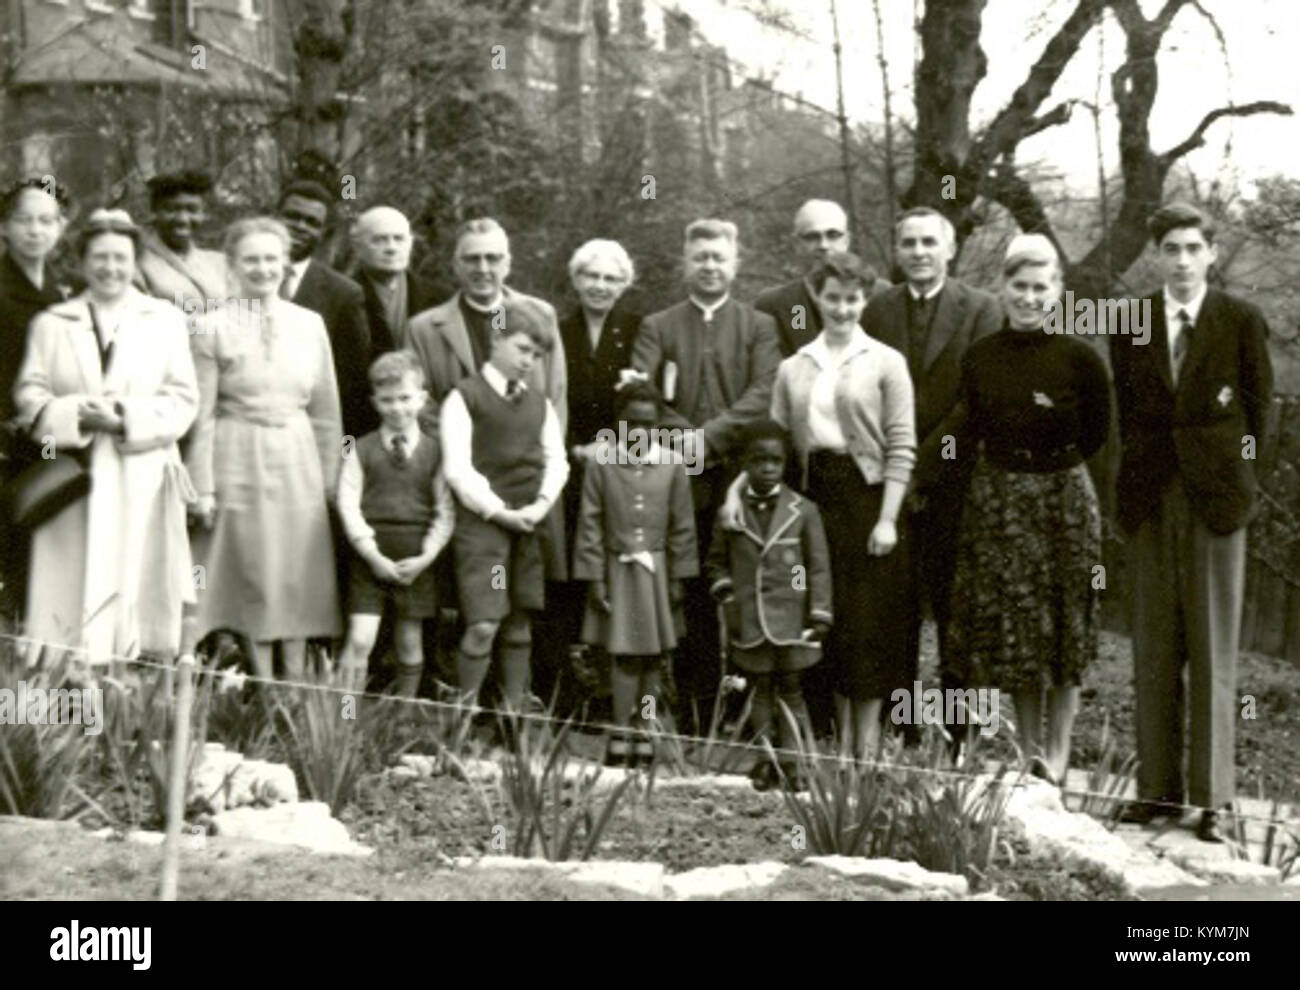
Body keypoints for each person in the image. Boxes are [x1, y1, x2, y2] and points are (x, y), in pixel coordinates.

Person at [1110, 203, 1274, 843]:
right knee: (1153, 646)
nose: (1180, 260)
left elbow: (1261, 416)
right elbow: (1129, 411)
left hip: (1217, 499)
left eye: (1192, 248)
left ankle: (1213, 801)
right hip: (1151, 496)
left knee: (1211, 650)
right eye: (1169, 248)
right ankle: (1155, 791)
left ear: (1211, 252)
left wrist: (1243, 477)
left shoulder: (1239, 319)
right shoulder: (1131, 322)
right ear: (1156, 254)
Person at [722, 251, 915, 759]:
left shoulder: (886, 362)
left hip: (867, 500)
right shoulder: (795, 366)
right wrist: (732, 492)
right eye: (833, 298)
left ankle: (866, 749)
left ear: (864, 299)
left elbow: (902, 445)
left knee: (865, 625)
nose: (843, 309)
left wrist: (889, 518)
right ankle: (820, 744)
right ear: (817, 298)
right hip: (812, 500)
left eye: (853, 299)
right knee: (822, 618)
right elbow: (774, 442)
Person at [947, 233, 1110, 784]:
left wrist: (1052, 469)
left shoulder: (1081, 358)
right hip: (1000, 499)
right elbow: (969, 428)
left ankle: (1058, 755)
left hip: (1063, 498)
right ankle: (1029, 751)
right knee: (1018, 628)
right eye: (1020, 286)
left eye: (1042, 287)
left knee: (1064, 626)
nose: (1030, 297)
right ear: (1003, 288)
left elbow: (1096, 432)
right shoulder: (980, 358)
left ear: (1058, 291)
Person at [14, 208, 199, 665]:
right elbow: (29, 395)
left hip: (142, 471)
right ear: (80, 261)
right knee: (67, 595)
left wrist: (123, 419)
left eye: (120, 257)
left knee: (137, 594)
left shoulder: (164, 320)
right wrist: (73, 413)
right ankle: (68, 706)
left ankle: (131, 707)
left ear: (136, 262)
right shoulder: (53, 322)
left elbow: (183, 398)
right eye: (99, 257)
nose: (110, 268)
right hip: (73, 478)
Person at [630, 218, 782, 731]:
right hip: (679, 476)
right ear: (685, 263)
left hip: (743, 474)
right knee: (692, 588)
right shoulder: (658, 326)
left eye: (719, 257)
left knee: (744, 583)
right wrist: (683, 437)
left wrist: (710, 435)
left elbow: (765, 391)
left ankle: (745, 707)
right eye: (701, 257)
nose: (710, 266)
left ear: (735, 263)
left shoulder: (758, 325)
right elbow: (641, 396)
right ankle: (696, 708)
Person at [862, 206, 1002, 751]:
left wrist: (923, 463)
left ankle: (958, 733)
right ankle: (903, 728)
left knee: (956, 612)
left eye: (929, 242)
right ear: (897, 252)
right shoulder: (876, 309)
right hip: (887, 486)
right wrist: (895, 466)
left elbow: (975, 398)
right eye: (909, 243)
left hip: (955, 483)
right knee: (894, 611)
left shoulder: (982, 309)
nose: (919, 252)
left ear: (950, 250)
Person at [186, 217, 344, 684]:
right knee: (250, 571)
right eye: (251, 259)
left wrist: (330, 481)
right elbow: (202, 413)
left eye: (272, 258)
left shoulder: (310, 324)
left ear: (285, 262)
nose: (263, 268)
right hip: (235, 452)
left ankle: (294, 686)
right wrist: (203, 487)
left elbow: (326, 410)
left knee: (295, 572)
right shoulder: (209, 326)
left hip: (297, 457)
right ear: (232, 266)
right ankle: (263, 686)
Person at [408, 218, 569, 584]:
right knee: (478, 588)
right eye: (472, 259)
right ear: (455, 265)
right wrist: (468, 458)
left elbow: (555, 395)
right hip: (464, 478)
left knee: (529, 589)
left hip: (530, 478)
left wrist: (539, 470)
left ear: (508, 263)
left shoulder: (540, 315)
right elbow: (423, 405)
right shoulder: (425, 328)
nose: (483, 268)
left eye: (493, 258)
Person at [439, 302, 569, 716]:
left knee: (519, 622)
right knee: (484, 623)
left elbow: (557, 460)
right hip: (486, 529)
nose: (528, 361)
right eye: (522, 349)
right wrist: (498, 512)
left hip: (528, 523)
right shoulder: (465, 398)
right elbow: (458, 469)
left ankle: (512, 717)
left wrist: (542, 504)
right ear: (496, 340)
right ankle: (463, 717)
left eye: (535, 354)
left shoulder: (540, 404)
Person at [573, 380, 697, 767]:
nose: (639, 432)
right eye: (631, 423)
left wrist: (677, 576)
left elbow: (682, 525)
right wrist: (594, 576)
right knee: (623, 656)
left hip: (656, 572)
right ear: (618, 423)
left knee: (652, 657)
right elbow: (590, 521)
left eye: (648, 423)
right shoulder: (602, 463)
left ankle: (645, 730)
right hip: (617, 570)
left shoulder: (673, 464)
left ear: (658, 424)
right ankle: (620, 730)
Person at [706, 419, 832, 789]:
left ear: (785, 464)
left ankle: (795, 763)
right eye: (759, 460)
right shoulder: (731, 513)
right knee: (759, 688)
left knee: (792, 688)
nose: (767, 468)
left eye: (775, 461)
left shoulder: (803, 510)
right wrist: (728, 595)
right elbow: (716, 561)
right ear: (744, 464)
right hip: (750, 618)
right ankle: (765, 760)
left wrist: (818, 611)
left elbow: (817, 566)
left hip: (792, 619)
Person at [545, 238, 642, 709]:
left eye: (610, 278)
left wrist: (617, 446)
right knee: (565, 577)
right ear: (576, 279)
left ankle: (613, 692)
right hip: (566, 470)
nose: (600, 286)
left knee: (614, 577)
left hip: (621, 473)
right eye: (591, 276)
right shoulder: (556, 332)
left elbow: (648, 407)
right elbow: (543, 401)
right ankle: (562, 692)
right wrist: (572, 449)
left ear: (624, 284)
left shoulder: (639, 331)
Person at [335, 350, 454, 695]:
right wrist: (372, 555)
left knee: (409, 642)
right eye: (387, 400)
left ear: (422, 398)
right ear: (374, 402)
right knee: (359, 640)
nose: (397, 408)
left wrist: (426, 557)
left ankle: (403, 720)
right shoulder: (359, 448)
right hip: (369, 558)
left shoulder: (436, 451)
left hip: (415, 558)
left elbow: (445, 511)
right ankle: (344, 717)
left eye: (405, 398)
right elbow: (347, 503)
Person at [0, 178, 75, 620]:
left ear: (61, 228)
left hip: (49, 434)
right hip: (7, 438)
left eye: (47, 221)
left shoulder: (64, 289)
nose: (35, 230)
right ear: (4, 228)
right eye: (24, 220)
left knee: (43, 541)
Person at [276, 180, 372, 438]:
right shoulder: (234, 278)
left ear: (323, 231)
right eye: (292, 216)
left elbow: (352, 387)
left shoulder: (343, 294)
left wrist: (344, 452)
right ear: (275, 217)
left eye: (312, 222)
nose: (300, 227)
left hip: (307, 434)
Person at [754, 199, 891, 358]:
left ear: (846, 240)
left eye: (833, 235)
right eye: (812, 237)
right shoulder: (774, 304)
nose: (823, 245)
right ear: (797, 244)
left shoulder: (881, 295)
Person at [351, 206, 441, 354]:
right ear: (357, 246)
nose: (391, 248)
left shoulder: (442, 297)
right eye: (379, 240)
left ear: (410, 243)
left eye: (399, 239)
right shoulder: (340, 296)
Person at [136, 170, 228, 314]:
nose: (183, 219)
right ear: (154, 212)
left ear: (203, 213)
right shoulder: (138, 263)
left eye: (192, 210)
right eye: (171, 209)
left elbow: (241, 315)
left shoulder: (219, 262)